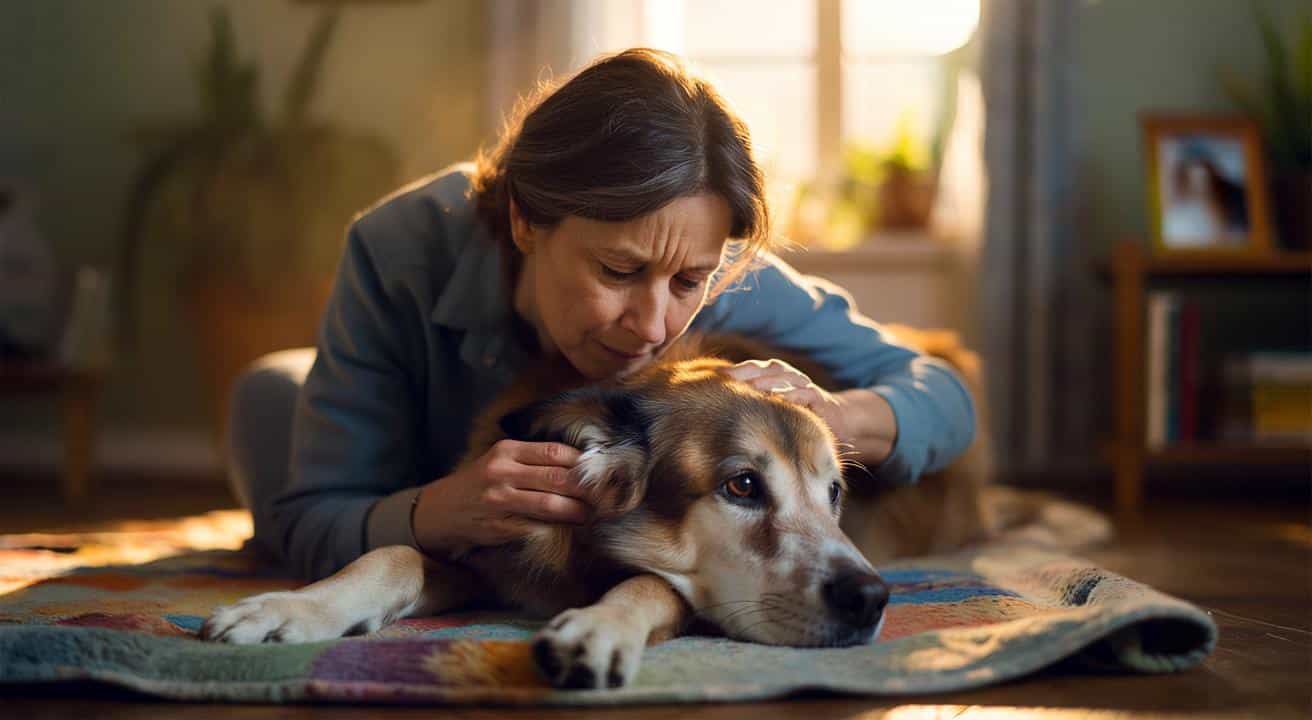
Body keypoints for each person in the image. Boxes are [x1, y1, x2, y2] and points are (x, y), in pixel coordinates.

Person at [227, 49, 976, 581]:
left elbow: (943, 393)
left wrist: (834, 422)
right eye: (618, 271)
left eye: (689, 283)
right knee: (268, 398)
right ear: (526, 221)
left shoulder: (721, 269)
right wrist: (437, 510)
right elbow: (311, 522)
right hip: (400, 466)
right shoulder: (396, 250)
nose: (653, 326)